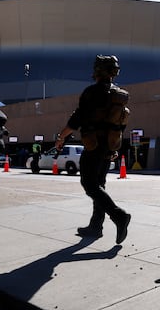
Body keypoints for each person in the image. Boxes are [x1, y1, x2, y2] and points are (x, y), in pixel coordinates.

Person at [55, 55, 131, 244]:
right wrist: (113, 146)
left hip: (94, 145)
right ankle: (96, 226)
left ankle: (119, 216)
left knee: (89, 185)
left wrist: (61, 137)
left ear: (97, 71)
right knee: (99, 185)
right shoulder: (118, 95)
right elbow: (121, 122)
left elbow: (76, 120)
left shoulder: (91, 93)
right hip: (109, 145)